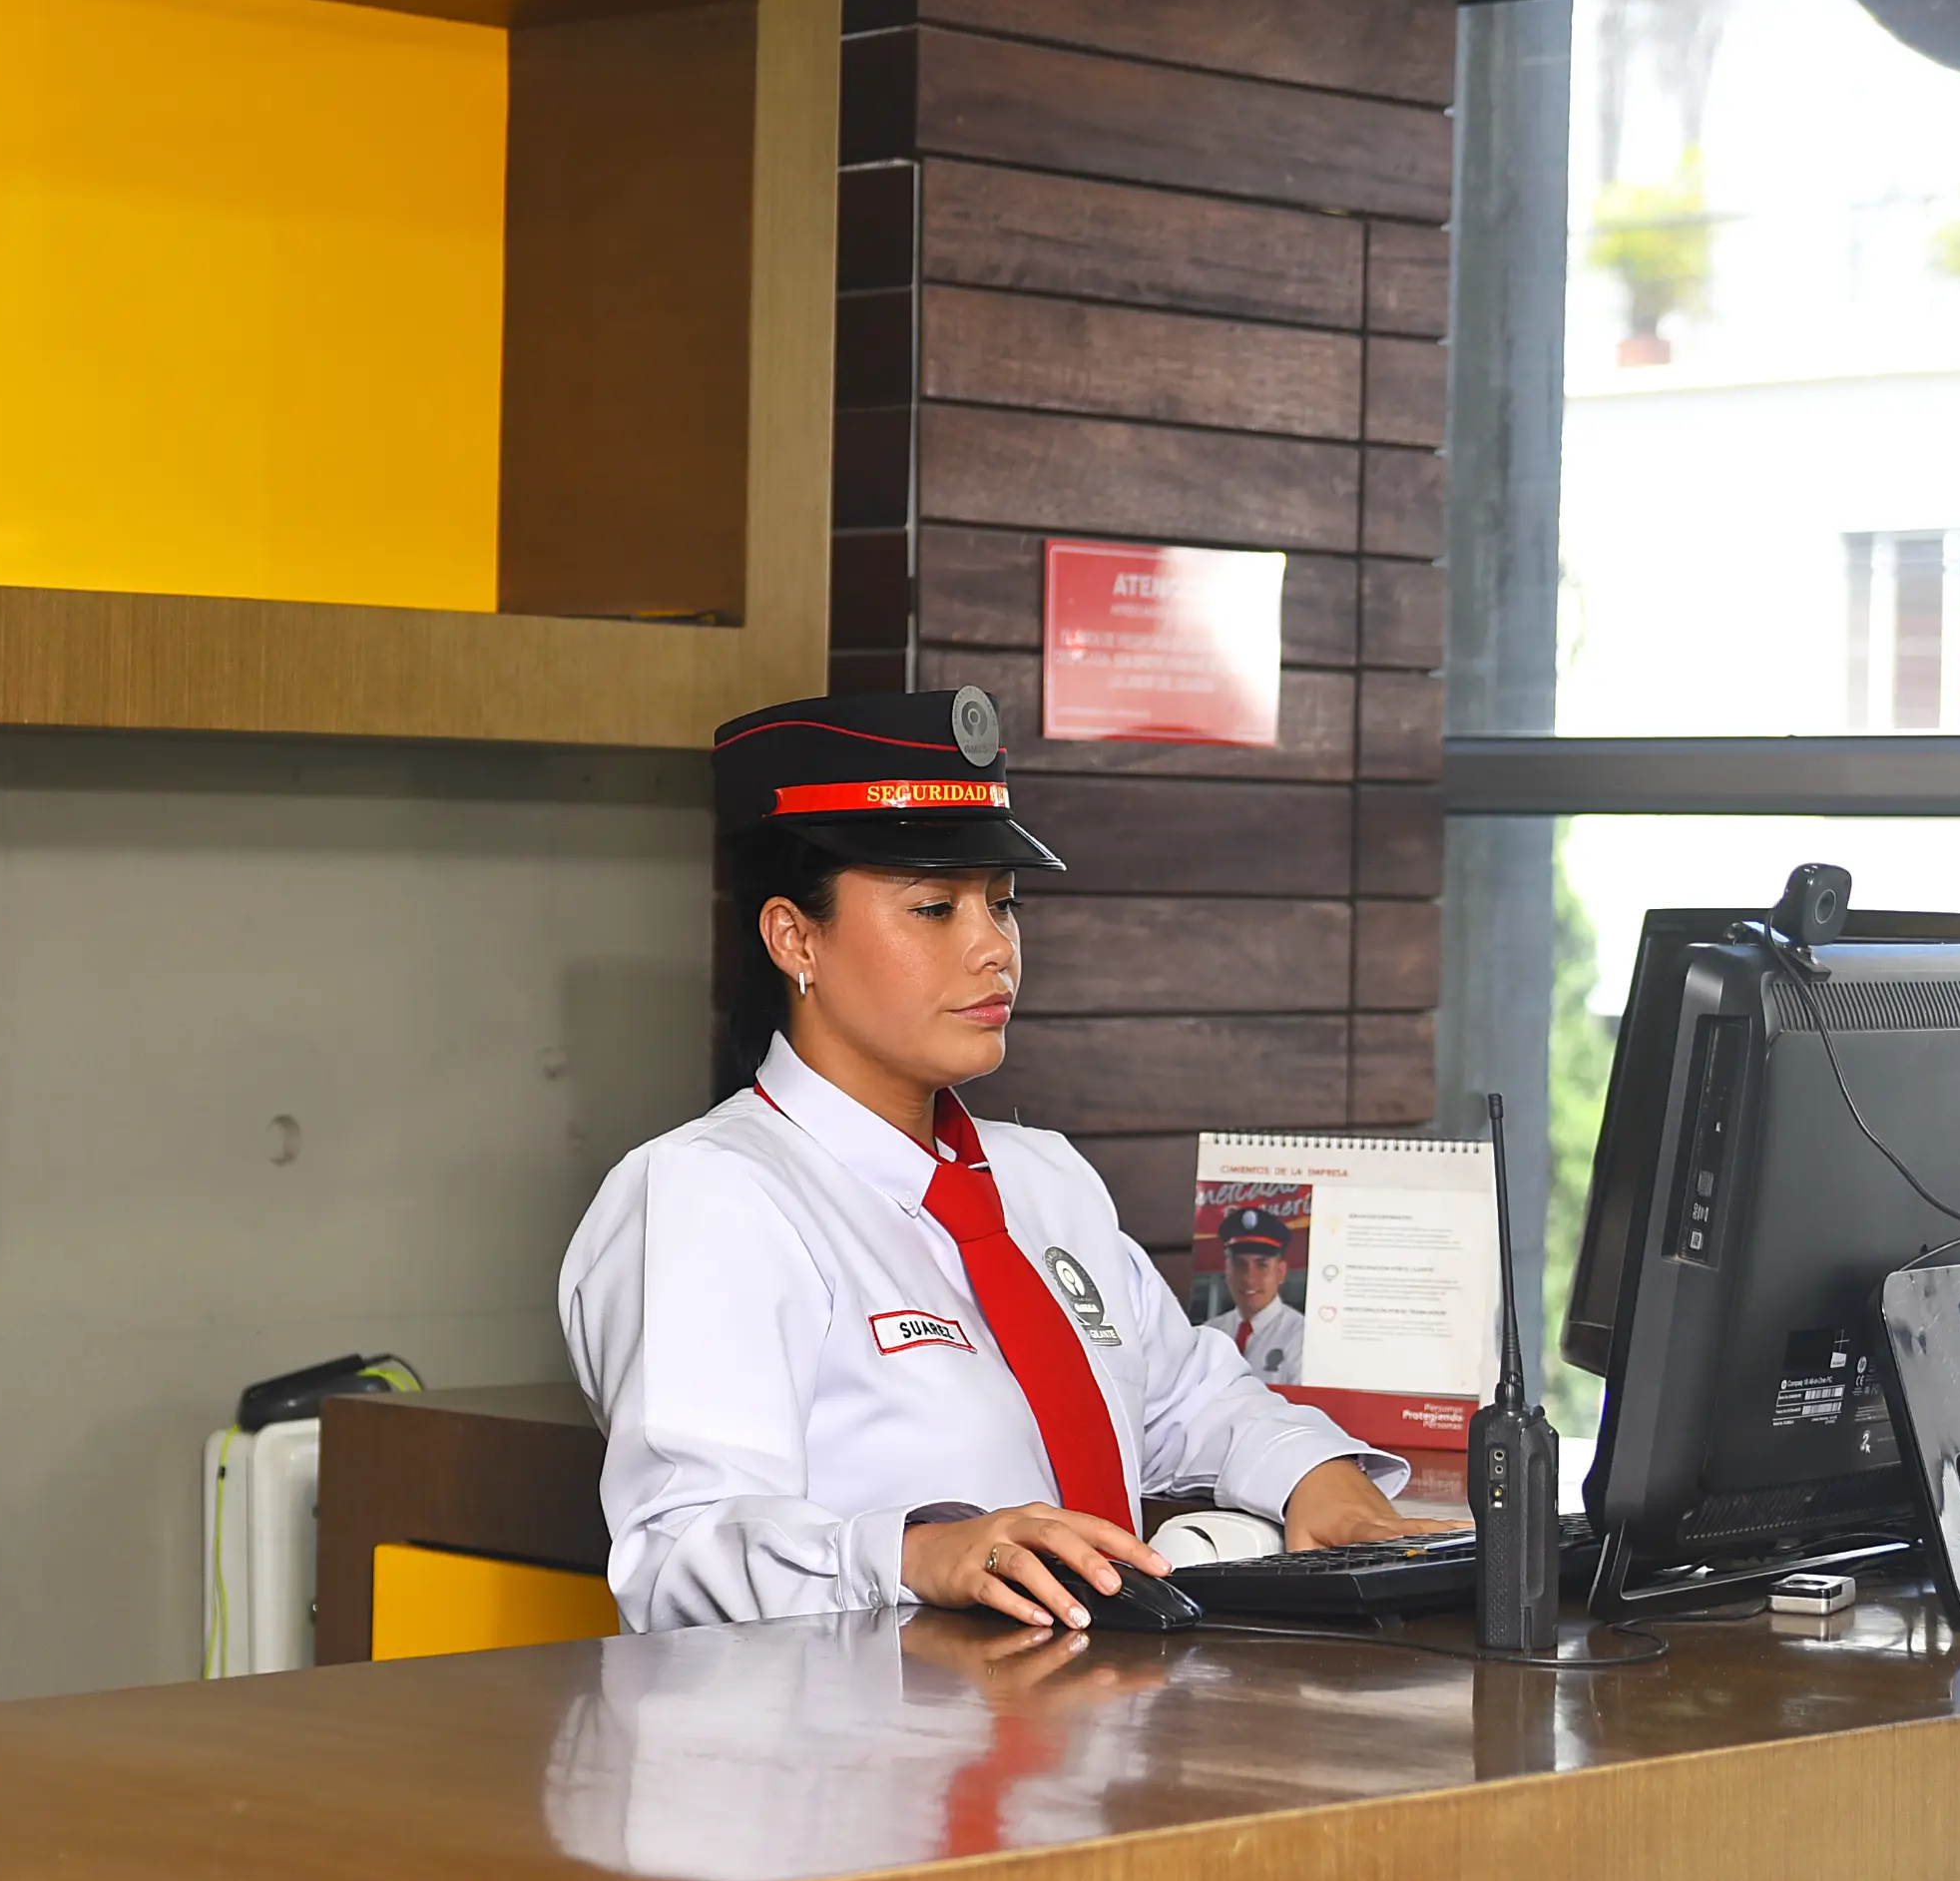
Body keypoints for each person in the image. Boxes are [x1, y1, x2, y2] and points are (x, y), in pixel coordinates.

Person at [557, 688, 1456, 1635]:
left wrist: (1322, 1480)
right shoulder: (711, 1196)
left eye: (1003, 904)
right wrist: (918, 1554)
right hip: (863, 1756)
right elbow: (678, 1553)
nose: (994, 949)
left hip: (1089, 1732)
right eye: (936, 907)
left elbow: (1194, 1396)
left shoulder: (1043, 1180)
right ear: (794, 938)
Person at [1206, 1205, 1309, 1387]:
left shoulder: (1302, 1338)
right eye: (1239, 1264)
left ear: (1280, 1272)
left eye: (1261, 1265)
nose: (1249, 1277)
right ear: (1226, 1269)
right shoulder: (1210, 1334)